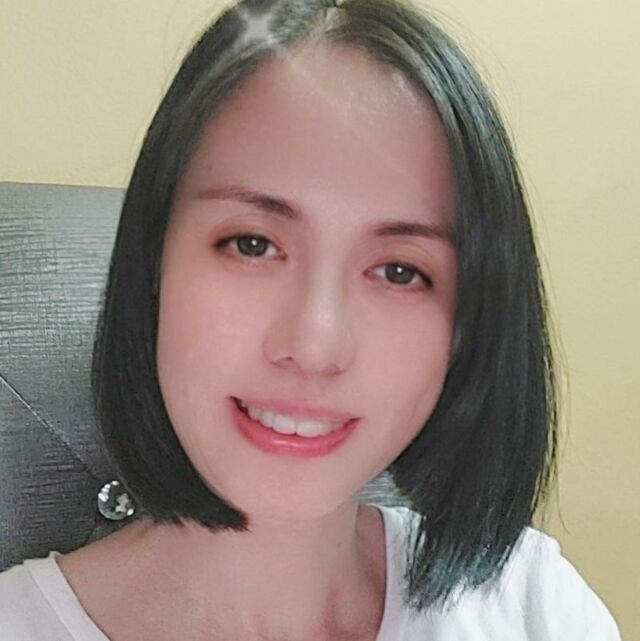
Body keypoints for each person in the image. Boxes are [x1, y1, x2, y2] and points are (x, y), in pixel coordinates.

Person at [0, 0, 624, 639]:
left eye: (399, 271)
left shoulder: (532, 604)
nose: (314, 345)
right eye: (252, 245)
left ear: (468, 327)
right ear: (153, 264)